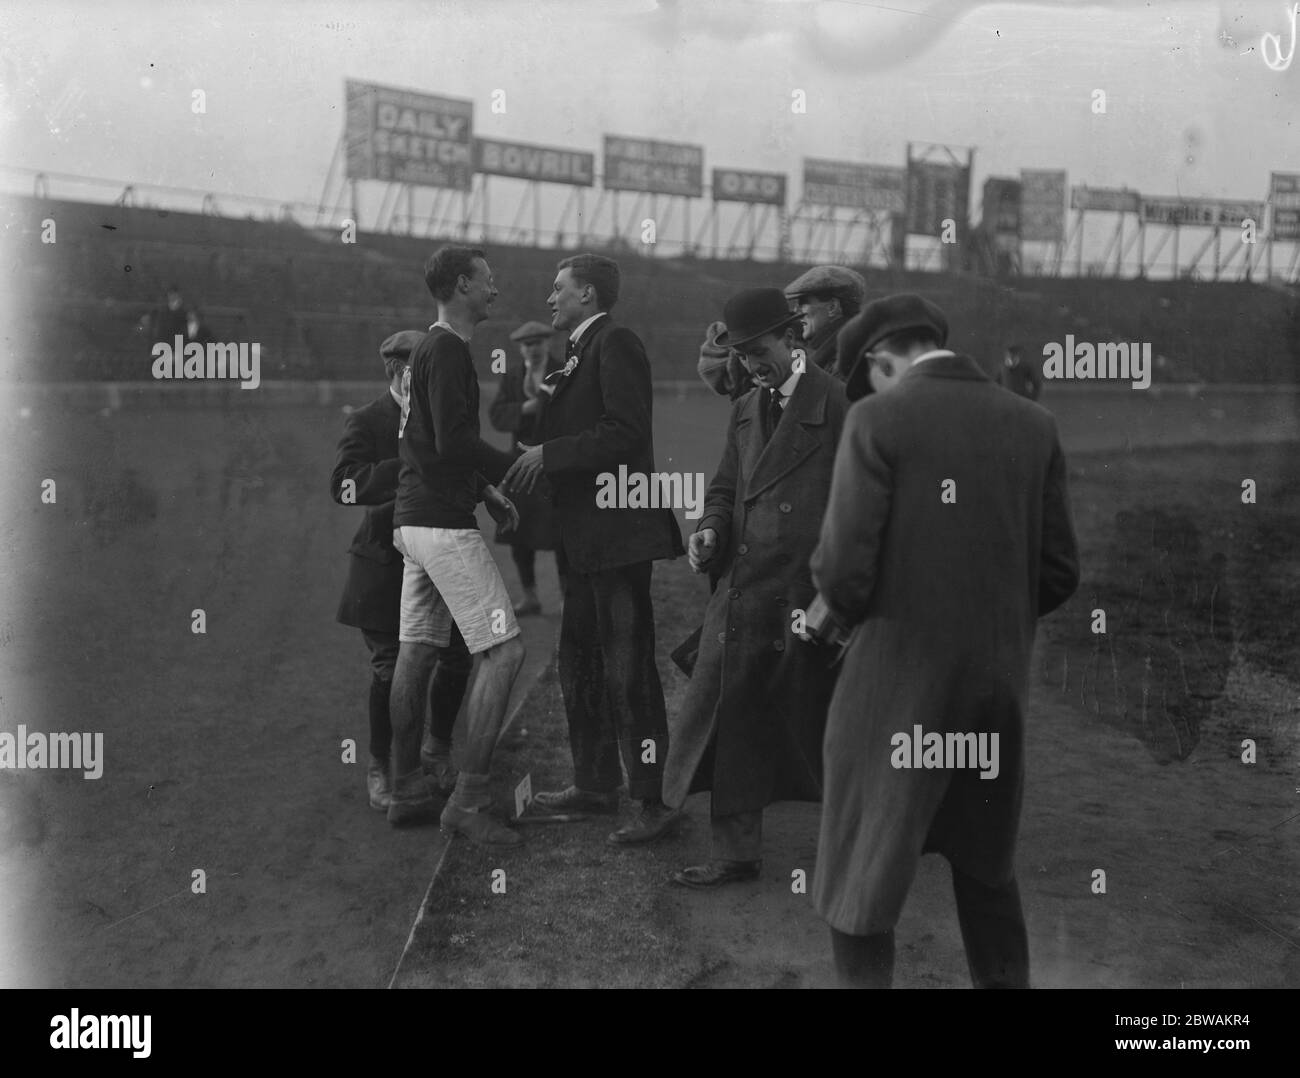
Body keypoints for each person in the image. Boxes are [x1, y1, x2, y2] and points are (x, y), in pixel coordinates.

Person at [804, 294, 1079, 989]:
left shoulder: (876, 419)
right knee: (987, 867)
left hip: (895, 684)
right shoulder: (1035, 423)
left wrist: (831, 612)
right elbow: (1058, 572)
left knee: (861, 871)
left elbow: (843, 575)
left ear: (880, 359)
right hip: (996, 687)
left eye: (868, 375)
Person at [664, 288, 847, 888]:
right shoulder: (746, 406)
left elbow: (865, 507)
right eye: (741, 355)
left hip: (809, 599)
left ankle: (874, 844)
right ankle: (736, 853)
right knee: (730, 714)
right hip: (743, 591)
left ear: (794, 338)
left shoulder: (841, 407)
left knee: (826, 727)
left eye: (759, 350)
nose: (749, 365)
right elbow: (723, 488)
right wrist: (709, 531)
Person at [502, 253, 684, 845]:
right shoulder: (579, 354)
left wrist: (549, 454)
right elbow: (570, 432)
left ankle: (652, 802)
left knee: (628, 670)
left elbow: (625, 432)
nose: (549, 299)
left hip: (618, 536)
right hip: (583, 538)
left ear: (588, 294)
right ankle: (596, 783)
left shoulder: (616, 343)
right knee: (579, 662)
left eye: (559, 289)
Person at [390, 245, 526, 845]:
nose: (494, 290)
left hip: (414, 520)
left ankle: (407, 785)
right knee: (504, 652)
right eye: (488, 280)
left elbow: (432, 445)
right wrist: (511, 466)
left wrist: (485, 489)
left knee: (417, 651)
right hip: (443, 526)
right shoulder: (446, 349)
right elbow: (452, 441)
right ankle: (468, 802)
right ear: (464, 284)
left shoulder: (428, 346)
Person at [330, 330, 473, 812]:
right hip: (383, 569)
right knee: (391, 670)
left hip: (439, 560)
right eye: (423, 369)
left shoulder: (440, 414)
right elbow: (344, 486)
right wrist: (405, 466)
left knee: (457, 657)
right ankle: (380, 763)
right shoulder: (368, 420)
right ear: (397, 371)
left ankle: (437, 749)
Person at [488, 320, 567, 616]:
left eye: (537, 343)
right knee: (519, 532)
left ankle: (565, 599)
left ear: (547, 343)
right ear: (520, 347)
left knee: (560, 535)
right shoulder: (512, 376)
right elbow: (496, 414)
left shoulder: (562, 372)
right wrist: (525, 409)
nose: (532, 349)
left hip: (553, 462)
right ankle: (530, 596)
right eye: (527, 344)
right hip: (520, 465)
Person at [783, 265, 867, 380]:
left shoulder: (844, 359)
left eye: (803, 303)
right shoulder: (837, 348)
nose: (796, 311)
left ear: (832, 307)